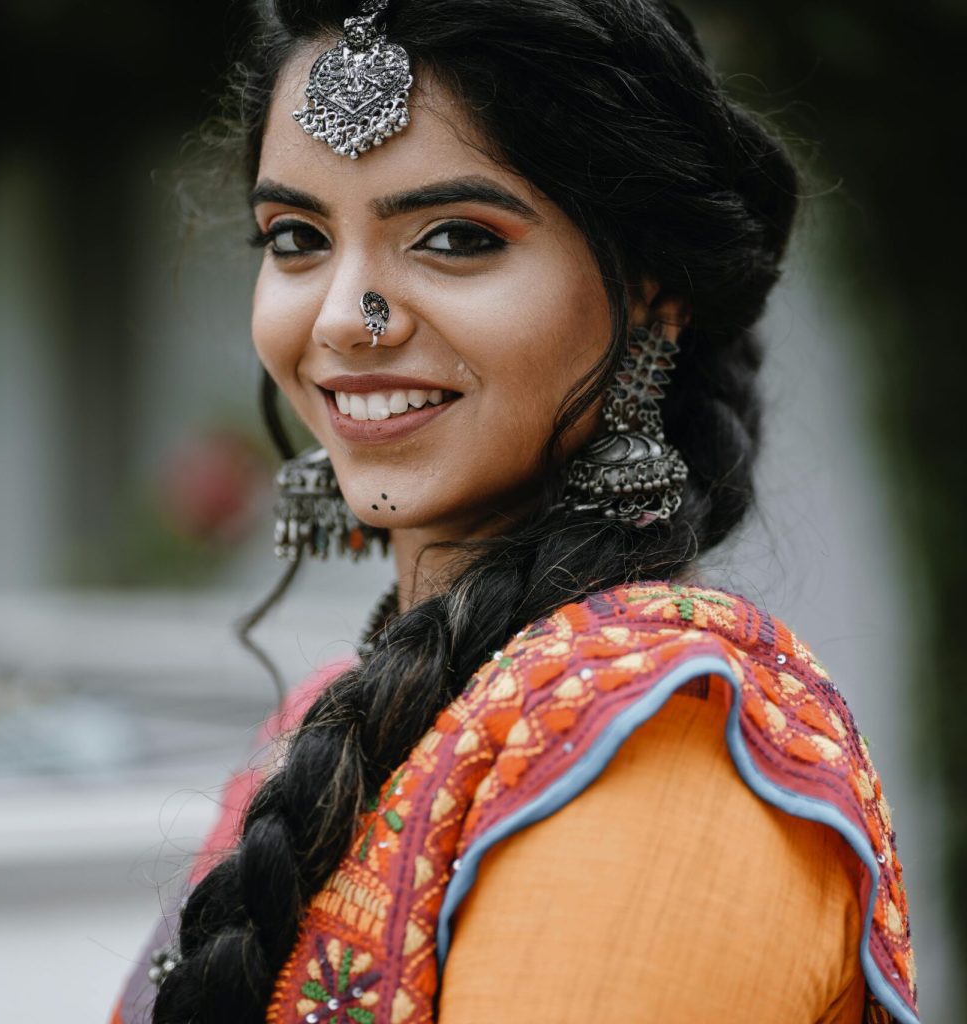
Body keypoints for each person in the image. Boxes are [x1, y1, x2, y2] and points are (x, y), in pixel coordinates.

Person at [110, 1, 919, 1021]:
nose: (343, 320)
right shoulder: (334, 723)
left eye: (453, 237)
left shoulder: (659, 752)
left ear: (650, 292)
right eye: (298, 237)